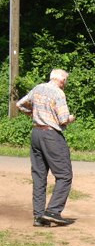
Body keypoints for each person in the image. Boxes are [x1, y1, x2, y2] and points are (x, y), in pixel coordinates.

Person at [16, 69, 75, 227]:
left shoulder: (38, 88)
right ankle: (53, 211)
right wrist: (71, 118)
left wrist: (34, 114)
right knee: (64, 174)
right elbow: (63, 119)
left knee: (39, 176)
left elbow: (20, 104)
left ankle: (38, 216)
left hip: (36, 133)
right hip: (51, 136)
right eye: (65, 81)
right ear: (62, 80)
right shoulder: (58, 93)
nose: (65, 84)